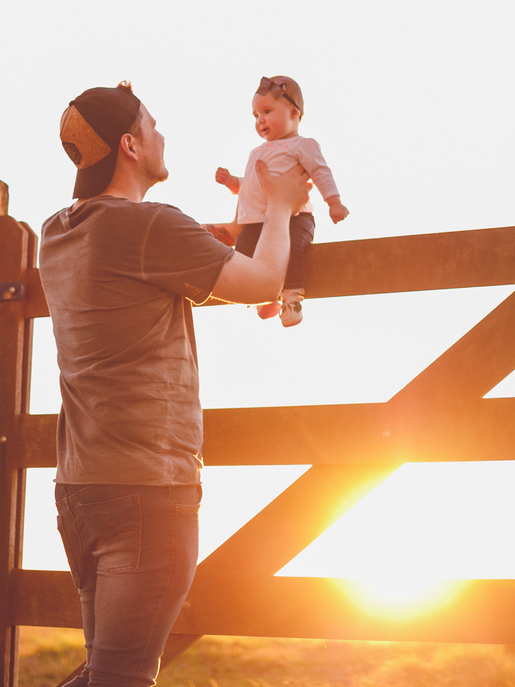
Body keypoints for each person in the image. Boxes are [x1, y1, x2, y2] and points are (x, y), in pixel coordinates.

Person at [37, 82, 311, 687]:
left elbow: (132, 289)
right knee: (122, 678)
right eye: (153, 126)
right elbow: (266, 281)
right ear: (130, 146)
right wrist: (285, 204)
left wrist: (202, 252)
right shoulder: (150, 227)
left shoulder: (55, 234)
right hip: (147, 492)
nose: (164, 137)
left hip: (80, 491)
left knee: (107, 672)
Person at [211, 75, 349, 327]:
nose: (260, 120)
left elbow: (320, 172)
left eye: (266, 111)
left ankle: (292, 299)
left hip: (294, 218)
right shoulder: (257, 151)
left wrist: (334, 201)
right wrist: (233, 182)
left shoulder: (301, 145)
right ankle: (265, 299)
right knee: (243, 257)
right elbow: (253, 185)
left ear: (294, 112)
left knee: (293, 252)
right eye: (255, 116)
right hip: (253, 222)